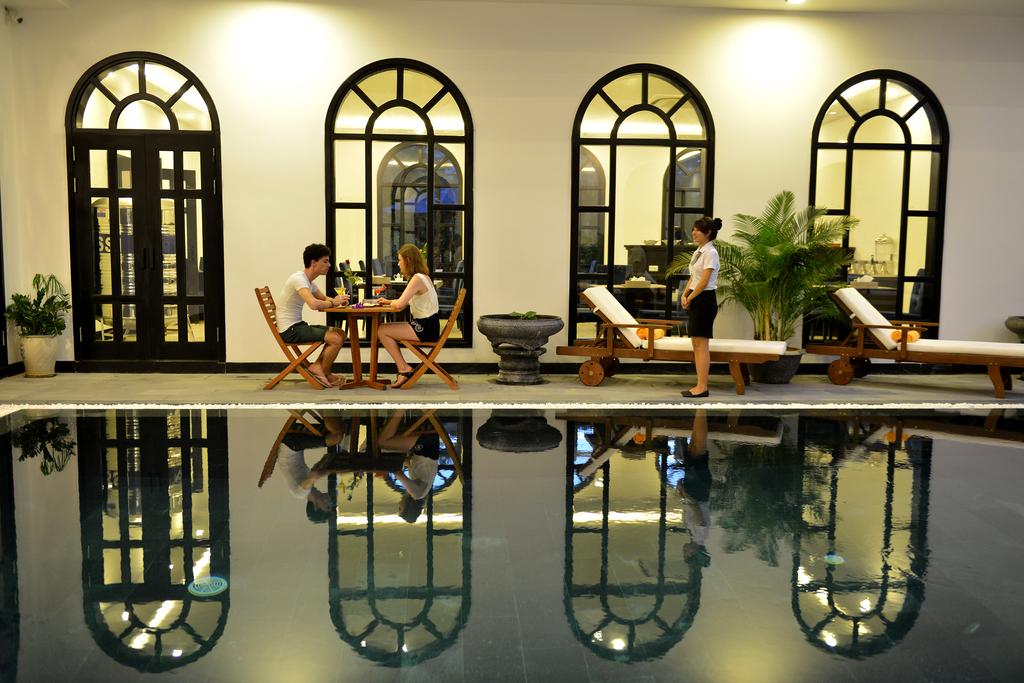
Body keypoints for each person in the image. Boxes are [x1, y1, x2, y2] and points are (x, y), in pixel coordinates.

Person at [277, 243, 349, 387]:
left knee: (340, 333)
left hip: (297, 326)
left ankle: (319, 368)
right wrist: (334, 303)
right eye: (325, 261)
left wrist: (339, 301)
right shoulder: (299, 279)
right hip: (290, 330)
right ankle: (324, 371)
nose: (329, 265)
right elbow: (314, 304)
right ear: (313, 263)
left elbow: (324, 299)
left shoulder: (308, 281)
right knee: (335, 338)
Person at [375, 243, 440, 389]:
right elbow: (404, 303)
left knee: (381, 330)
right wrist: (389, 302)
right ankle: (403, 367)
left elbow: (399, 306)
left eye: (400, 260)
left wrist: (394, 303)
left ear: (408, 261)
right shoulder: (423, 277)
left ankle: (404, 368)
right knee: (382, 329)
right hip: (429, 325)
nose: (398, 264)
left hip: (425, 328)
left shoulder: (417, 279)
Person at [680, 217, 722, 398]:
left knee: (701, 345)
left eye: (698, 230)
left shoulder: (711, 252)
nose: (694, 233)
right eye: (693, 229)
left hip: (705, 300)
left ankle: (702, 387)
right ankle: (699, 385)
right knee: (696, 344)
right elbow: (694, 276)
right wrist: (684, 294)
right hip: (696, 297)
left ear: (708, 233)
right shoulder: (698, 251)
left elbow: (704, 281)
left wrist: (690, 297)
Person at [378, 409, 441, 523]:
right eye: (400, 508)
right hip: (426, 445)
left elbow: (408, 463)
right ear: (408, 508)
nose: (399, 505)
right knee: (382, 442)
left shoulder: (422, 492)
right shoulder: (417, 494)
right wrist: (383, 470)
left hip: (427, 446)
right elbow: (398, 473)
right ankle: (401, 408)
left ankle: (399, 412)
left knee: (385, 447)